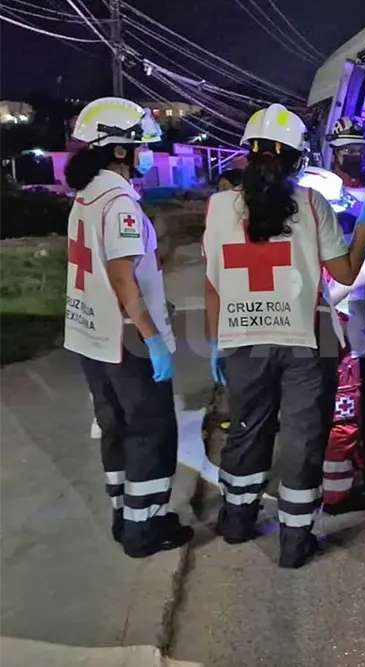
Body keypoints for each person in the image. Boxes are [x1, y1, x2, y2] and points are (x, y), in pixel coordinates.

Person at [203, 103, 365, 568]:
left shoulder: (218, 207)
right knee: (302, 438)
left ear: (248, 155)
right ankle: (295, 542)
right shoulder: (312, 204)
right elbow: (345, 272)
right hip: (306, 340)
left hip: (242, 339)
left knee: (247, 429)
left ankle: (236, 521)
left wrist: (216, 340)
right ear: (298, 159)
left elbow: (213, 282)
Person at [63, 97, 194, 558]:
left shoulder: (87, 195)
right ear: (119, 150)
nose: (147, 156)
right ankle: (145, 529)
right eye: (142, 147)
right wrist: (152, 336)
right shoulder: (118, 201)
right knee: (150, 430)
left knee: (115, 427)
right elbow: (121, 276)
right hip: (126, 337)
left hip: (91, 334)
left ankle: (126, 515)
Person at [319, 116, 365, 512]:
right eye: (348, 150)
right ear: (334, 153)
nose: (355, 157)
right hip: (344, 317)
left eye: (361, 149)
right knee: (345, 409)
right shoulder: (325, 200)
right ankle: (337, 491)